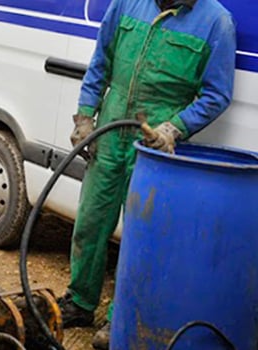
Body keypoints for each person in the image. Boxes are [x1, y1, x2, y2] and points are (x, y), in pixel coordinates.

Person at [59, 0, 237, 348]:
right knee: (90, 223)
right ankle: (79, 302)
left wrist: (175, 128)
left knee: (139, 236)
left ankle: (119, 318)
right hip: (110, 133)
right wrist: (84, 116)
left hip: (154, 148)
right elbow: (101, 61)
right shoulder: (127, 2)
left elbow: (217, 94)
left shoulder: (217, 22)